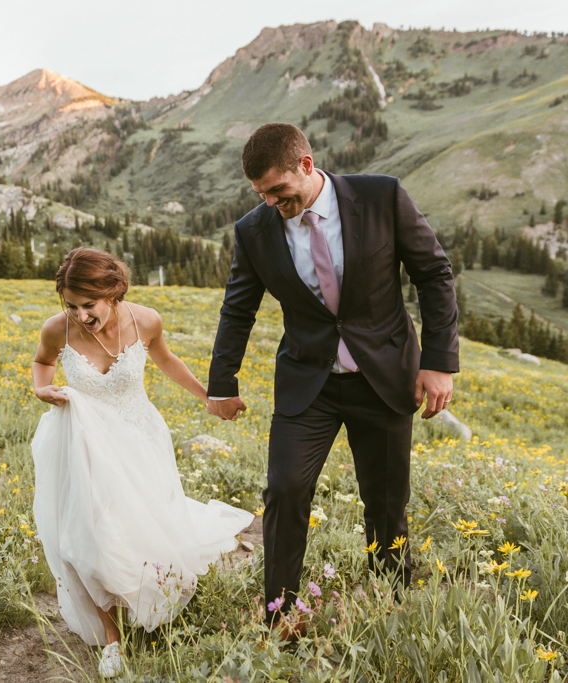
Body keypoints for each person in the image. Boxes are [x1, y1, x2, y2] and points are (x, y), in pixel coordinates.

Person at [206, 123, 459, 638]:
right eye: (262, 194)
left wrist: (438, 362)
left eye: (279, 190)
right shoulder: (254, 231)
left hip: (385, 376)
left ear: (306, 164)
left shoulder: (381, 195)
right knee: (284, 489)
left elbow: (433, 274)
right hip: (308, 382)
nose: (274, 202)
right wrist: (222, 383)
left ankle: (392, 606)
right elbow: (238, 310)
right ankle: (280, 616)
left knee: (387, 500)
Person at [31, 247, 254, 678]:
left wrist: (209, 398)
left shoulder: (145, 320)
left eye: (89, 305)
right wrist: (43, 389)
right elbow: (42, 363)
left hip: (137, 438)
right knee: (84, 536)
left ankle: (148, 596)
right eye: (72, 306)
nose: (81, 315)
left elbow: (166, 360)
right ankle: (111, 638)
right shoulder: (57, 329)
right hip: (82, 443)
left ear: (113, 292)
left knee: (140, 526)